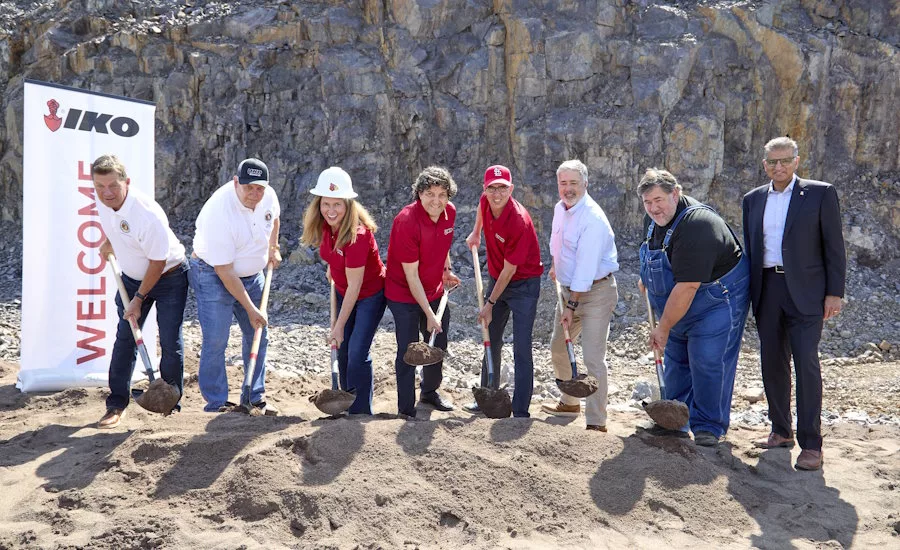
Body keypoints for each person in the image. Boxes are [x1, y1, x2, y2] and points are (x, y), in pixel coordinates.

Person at [742, 137, 846, 470]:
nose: (779, 167)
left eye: (785, 160)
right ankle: (781, 430)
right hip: (767, 288)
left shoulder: (820, 193)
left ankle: (811, 445)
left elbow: (834, 247)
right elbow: (752, 248)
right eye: (773, 162)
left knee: (805, 363)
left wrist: (835, 292)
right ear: (765, 165)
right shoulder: (752, 199)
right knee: (772, 361)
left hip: (807, 291)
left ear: (797, 161)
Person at [638, 168, 749, 446]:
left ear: (675, 193)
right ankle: (674, 420)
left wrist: (663, 328)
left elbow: (687, 286)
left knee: (707, 359)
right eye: (648, 202)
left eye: (659, 200)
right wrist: (646, 278)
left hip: (718, 297)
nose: (653, 208)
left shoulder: (697, 225)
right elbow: (660, 258)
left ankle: (709, 426)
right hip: (681, 296)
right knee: (677, 359)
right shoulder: (653, 221)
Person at [92, 154, 189, 428]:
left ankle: (170, 402)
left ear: (127, 183)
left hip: (169, 276)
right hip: (133, 278)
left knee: (170, 340)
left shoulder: (147, 213)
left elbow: (158, 261)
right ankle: (116, 404)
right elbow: (116, 226)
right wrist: (109, 242)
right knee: (125, 339)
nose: (107, 192)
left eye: (113, 186)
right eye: (100, 187)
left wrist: (138, 299)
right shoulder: (104, 203)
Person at [189, 158, 282, 413]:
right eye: (249, 187)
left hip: (253, 274)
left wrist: (273, 248)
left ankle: (254, 396)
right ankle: (216, 402)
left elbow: (274, 219)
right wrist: (251, 309)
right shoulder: (218, 213)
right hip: (212, 273)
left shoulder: (268, 196)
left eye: (260, 188)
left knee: (258, 335)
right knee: (217, 339)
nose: (255, 193)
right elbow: (225, 271)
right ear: (236, 182)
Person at [300, 167, 386, 415]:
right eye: (326, 204)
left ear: (348, 205)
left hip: (369, 294)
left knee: (357, 350)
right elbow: (334, 254)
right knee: (344, 349)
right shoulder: (326, 225)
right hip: (343, 288)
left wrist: (338, 326)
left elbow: (356, 286)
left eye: (337, 204)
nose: (331, 210)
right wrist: (333, 267)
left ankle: (360, 411)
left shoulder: (358, 235)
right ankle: (345, 401)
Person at [541, 160, 619, 432]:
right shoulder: (560, 210)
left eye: (574, 183)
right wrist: (556, 266)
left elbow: (585, 271)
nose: (568, 189)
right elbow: (559, 244)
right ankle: (570, 402)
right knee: (559, 348)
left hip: (595, 292)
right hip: (567, 290)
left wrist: (571, 307)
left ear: (586, 184)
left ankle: (596, 421)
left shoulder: (593, 219)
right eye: (563, 183)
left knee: (593, 358)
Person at [463, 165, 543, 417]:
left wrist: (489, 303)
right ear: (484, 189)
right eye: (491, 188)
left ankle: (520, 411)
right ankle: (487, 397)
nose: (496, 194)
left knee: (521, 346)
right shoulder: (486, 201)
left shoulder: (518, 220)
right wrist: (476, 233)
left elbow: (510, 270)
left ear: (511, 189)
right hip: (498, 277)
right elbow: (481, 207)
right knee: (491, 337)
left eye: (502, 188)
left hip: (523, 285)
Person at [385, 166, 461, 418]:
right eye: (430, 193)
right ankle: (406, 409)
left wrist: (446, 270)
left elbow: (443, 243)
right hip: (403, 293)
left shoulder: (449, 213)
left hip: (433, 287)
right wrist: (429, 313)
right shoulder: (406, 221)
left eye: (442, 194)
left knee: (438, 342)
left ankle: (429, 392)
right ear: (419, 194)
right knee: (409, 350)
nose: (436, 200)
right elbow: (411, 276)